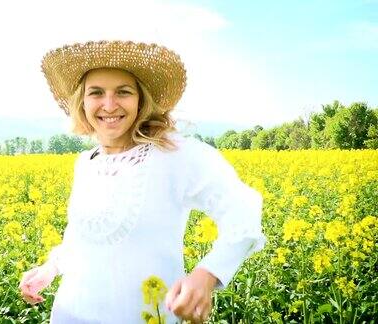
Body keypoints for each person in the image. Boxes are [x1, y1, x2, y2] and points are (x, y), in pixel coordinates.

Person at [19, 40, 266, 324]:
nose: (108, 104)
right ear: (82, 102)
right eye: (96, 93)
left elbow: (244, 210)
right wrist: (51, 267)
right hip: (70, 315)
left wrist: (207, 274)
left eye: (123, 92)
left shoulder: (176, 154)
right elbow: (81, 238)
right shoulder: (86, 163)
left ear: (141, 99)